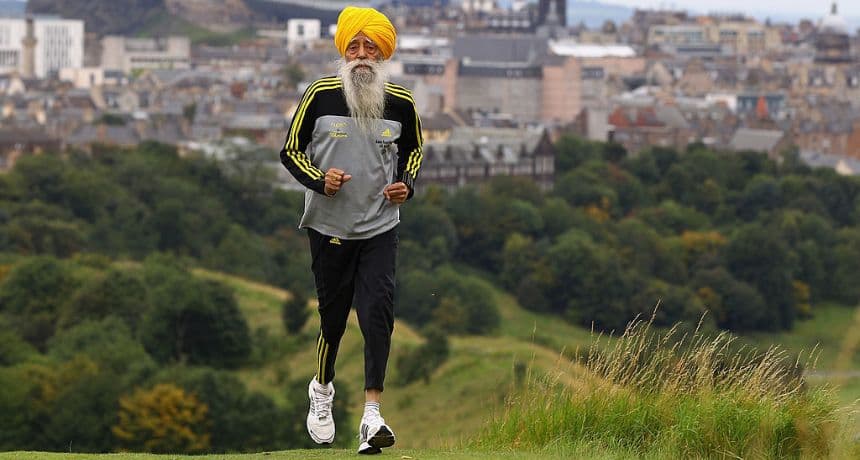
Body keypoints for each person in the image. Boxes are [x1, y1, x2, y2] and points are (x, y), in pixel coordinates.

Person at [279, 5, 423, 455]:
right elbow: (289, 151)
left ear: (382, 56)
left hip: (380, 225)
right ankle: (321, 389)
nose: (362, 55)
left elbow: (413, 152)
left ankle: (372, 414)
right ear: (344, 51)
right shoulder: (320, 94)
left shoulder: (402, 102)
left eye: (371, 48)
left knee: (378, 313)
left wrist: (406, 186)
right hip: (329, 226)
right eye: (355, 46)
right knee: (334, 317)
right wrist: (320, 180)